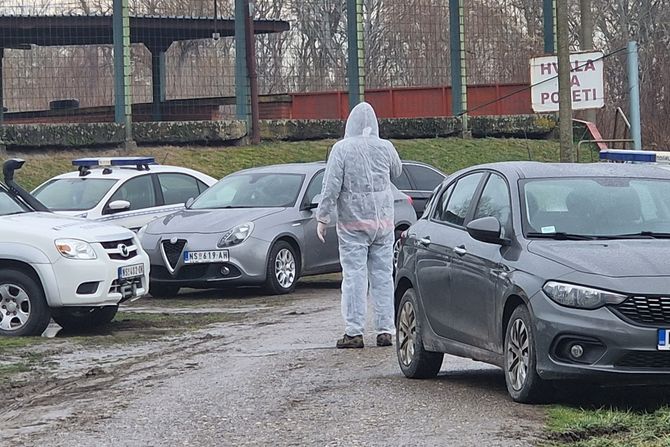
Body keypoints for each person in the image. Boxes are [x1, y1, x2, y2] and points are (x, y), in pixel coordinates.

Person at [316, 102, 402, 349]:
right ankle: (386, 329)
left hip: (353, 223)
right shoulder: (385, 147)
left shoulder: (341, 149)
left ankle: (354, 332)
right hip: (383, 223)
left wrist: (323, 217)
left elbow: (331, 185)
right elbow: (397, 170)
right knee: (383, 275)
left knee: (354, 276)